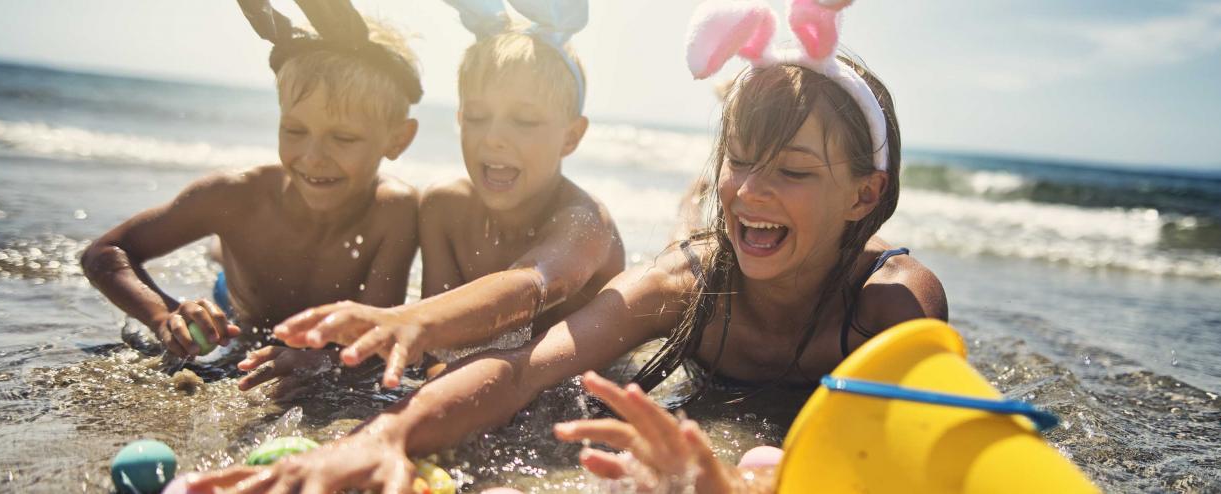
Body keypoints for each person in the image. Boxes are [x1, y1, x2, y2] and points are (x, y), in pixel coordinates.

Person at [186, 0, 946, 491]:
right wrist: (388, 433)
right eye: (740, 158)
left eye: (795, 171)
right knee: (701, 231)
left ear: (864, 195)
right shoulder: (683, 284)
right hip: (708, 294)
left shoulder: (893, 301)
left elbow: (921, 457)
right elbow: (524, 367)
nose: (751, 189)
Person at [258, 0, 625, 390]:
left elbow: (532, 285)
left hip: (584, 391)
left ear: (571, 136)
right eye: (477, 117)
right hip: (495, 385)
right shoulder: (445, 210)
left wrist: (411, 318)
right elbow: (439, 354)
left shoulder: (584, 222)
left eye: (524, 120)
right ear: (459, 120)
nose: (494, 137)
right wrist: (333, 360)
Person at [81, 0, 423, 387]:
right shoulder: (234, 196)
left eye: (343, 138)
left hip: (297, 313)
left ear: (398, 139)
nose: (313, 157)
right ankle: (220, 251)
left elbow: (375, 336)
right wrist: (165, 317)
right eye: (295, 131)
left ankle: (220, 249)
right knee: (222, 264)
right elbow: (103, 254)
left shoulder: (394, 210)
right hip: (238, 303)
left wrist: (319, 362)